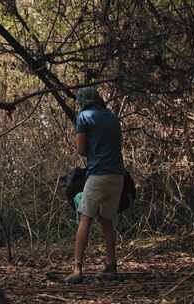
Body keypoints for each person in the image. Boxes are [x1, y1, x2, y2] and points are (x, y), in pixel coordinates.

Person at [65, 86, 125, 284]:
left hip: (97, 175)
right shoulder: (112, 117)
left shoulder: (84, 117)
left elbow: (81, 150)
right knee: (107, 221)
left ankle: (77, 269)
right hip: (117, 176)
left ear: (83, 103)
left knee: (85, 219)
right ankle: (111, 265)